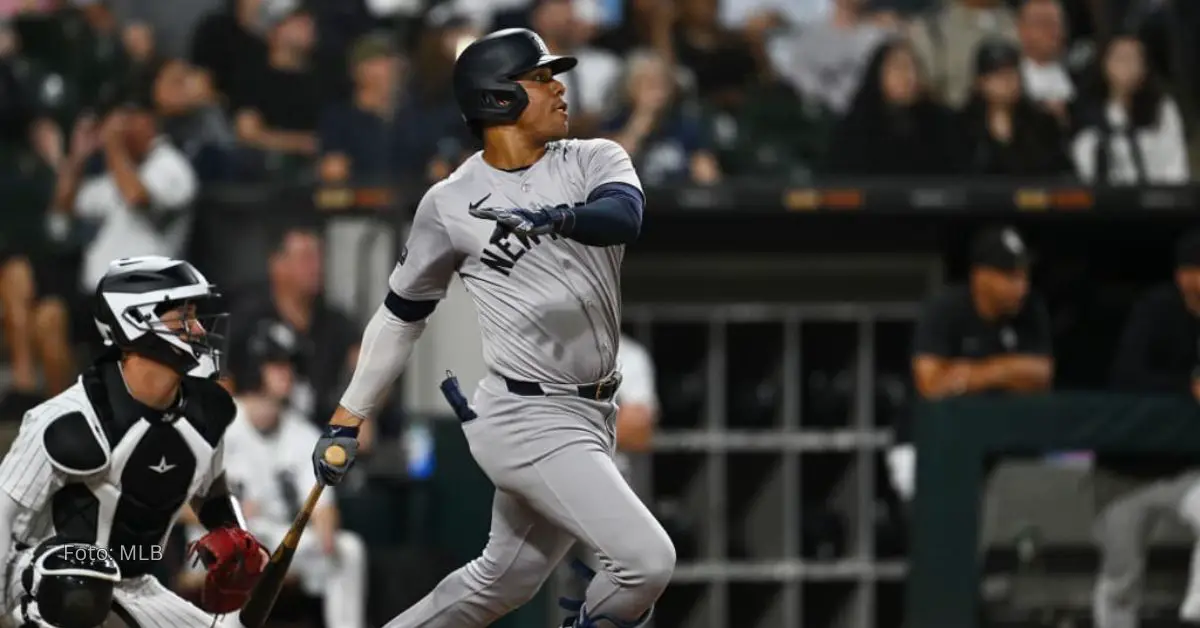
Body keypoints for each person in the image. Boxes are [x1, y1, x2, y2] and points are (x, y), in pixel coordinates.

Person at [310, 28, 675, 628]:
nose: (560, 89)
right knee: (646, 561)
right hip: (524, 415)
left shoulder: (594, 157)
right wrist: (349, 416)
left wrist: (560, 218)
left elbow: (624, 217)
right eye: (540, 78)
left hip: (592, 411)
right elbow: (402, 314)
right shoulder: (450, 202)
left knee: (499, 584)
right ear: (498, 99)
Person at [0, 255, 268, 628]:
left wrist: (233, 533)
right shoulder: (70, 421)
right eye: (184, 317)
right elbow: (2, 512)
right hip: (36, 577)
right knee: (79, 580)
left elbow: (210, 491)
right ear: (137, 319)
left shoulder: (205, 414)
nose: (200, 331)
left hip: (132, 582)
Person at [205, 320, 368, 628]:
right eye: (276, 363)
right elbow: (182, 500)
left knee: (349, 550)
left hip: (278, 535)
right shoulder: (219, 424)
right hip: (223, 539)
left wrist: (326, 530)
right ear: (254, 368)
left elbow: (324, 505)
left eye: (290, 364)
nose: (287, 372)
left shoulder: (301, 432)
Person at [890, 225, 1054, 500]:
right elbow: (931, 386)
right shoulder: (945, 309)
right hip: (928, 443)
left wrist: (970, 374)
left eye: (1024, 275)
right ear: (981, 276)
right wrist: (1010, 370)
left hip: (995, 446)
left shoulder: (1031, 311)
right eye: (1010, 276)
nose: (1022, 287)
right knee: (942, 525)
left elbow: (1041, 376)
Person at [1096, 229, 1200, 628]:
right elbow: (1127, 376)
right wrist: (1186, 387)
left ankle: (1194, 613)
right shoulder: (1156, 310)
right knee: (1122, 579)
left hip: (1186, 470)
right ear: (1183, 276)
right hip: (1126, 474)